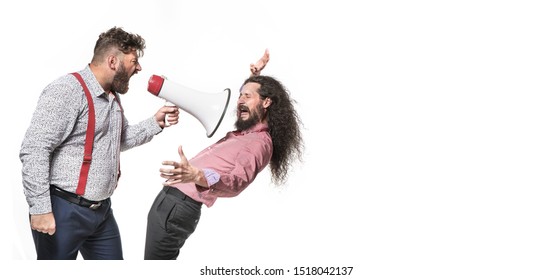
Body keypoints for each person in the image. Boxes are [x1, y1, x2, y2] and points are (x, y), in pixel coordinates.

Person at [19, 26, 180, 260]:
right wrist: (40, 209)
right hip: (64, 211)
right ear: (113, 61)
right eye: (134, 60)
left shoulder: (112, 96)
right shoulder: (67, 90)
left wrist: (155, 123)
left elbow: (118, 140)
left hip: (101, 213)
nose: (139, 67)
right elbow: (34, 149)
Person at [144, 50, 304, 260]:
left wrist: (198, 176)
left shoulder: (260, 143)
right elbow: (250, 101)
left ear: (266, 103)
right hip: (173, 204)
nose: (240, 100)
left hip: (179, 205)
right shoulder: (247, 133)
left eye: (247, 95)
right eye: (240, 95)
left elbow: (237, 181)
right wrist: (254, 78)